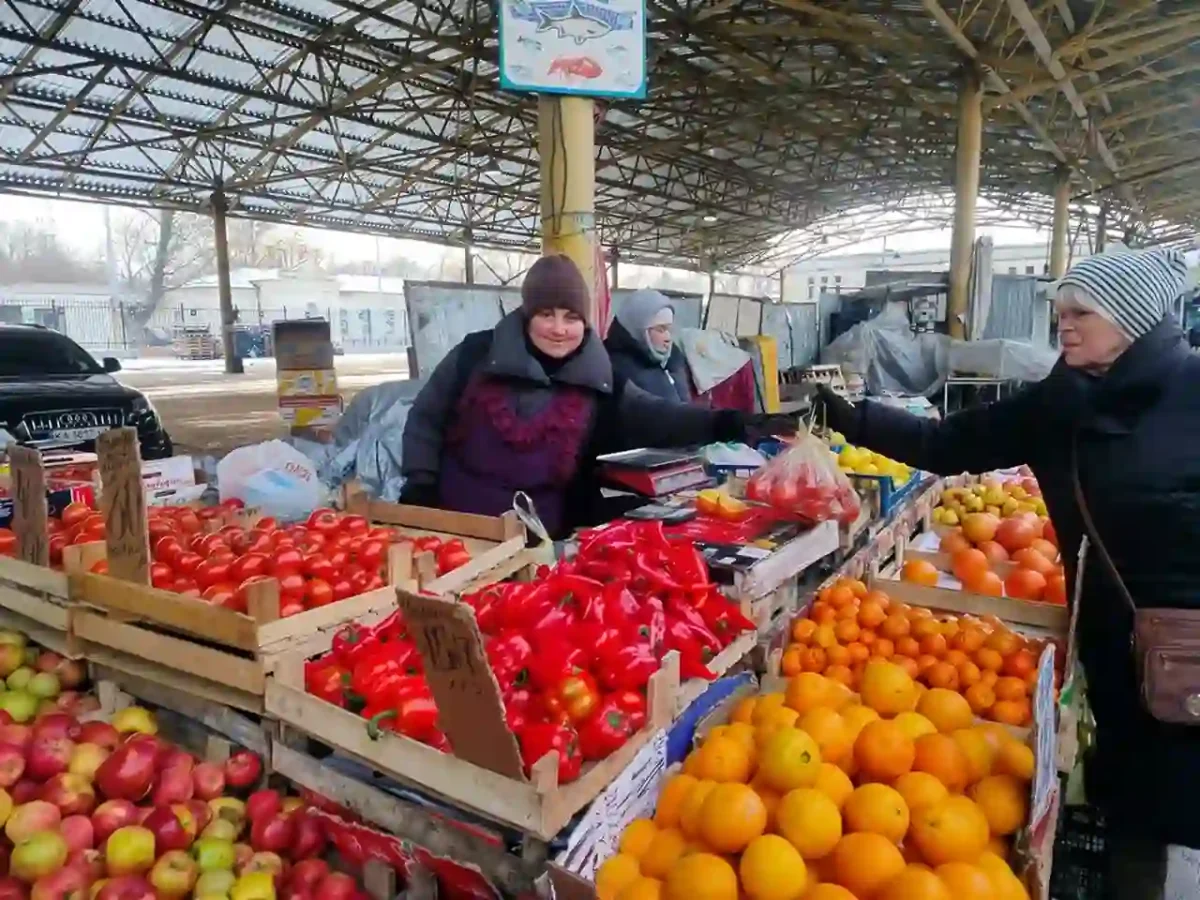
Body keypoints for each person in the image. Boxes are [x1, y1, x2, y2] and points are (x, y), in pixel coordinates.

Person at [816, 248, 1200, 896]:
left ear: (1131, 318)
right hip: (1111, 648)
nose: (1063, 325)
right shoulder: (1059, 405)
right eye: (1061, 312)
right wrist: (849, 418)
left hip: (1188, 649)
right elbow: (946, 443)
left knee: (1179, 806)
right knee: (1136, 811)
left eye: (1081, 313)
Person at [400, 255, 788, 538]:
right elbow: (426, 419)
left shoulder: (599, 380)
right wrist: (420, 485)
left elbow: (655, 416)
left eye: (571, 317)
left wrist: (728, 422)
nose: (558, 329)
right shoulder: (475, 356)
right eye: (546, 314)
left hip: (544, 538)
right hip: (457, 530)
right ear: (527, 314)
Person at [605, 289, 691, 402]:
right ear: (639, 330)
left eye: (669, 329)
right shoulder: (615, 367)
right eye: (660, 329)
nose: (668, 338)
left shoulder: (674, 359)